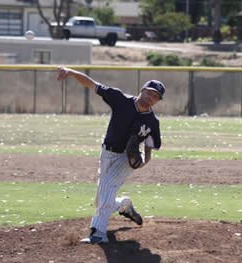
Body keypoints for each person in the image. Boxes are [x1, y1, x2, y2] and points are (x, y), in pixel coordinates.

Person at [56, 67, 164, 244]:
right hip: (107, 153)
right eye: (150, 92)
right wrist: (71, 72)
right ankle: (124, 205)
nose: (151, 97)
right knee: (101, 200)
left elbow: (150, 147)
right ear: (142, 90)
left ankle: (98, 233)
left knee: (106, 186)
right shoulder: (120, 99)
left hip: (127, 159)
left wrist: (143, 161)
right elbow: (93, 85)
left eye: (155, 96)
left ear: (157, 101)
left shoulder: (153, 121)